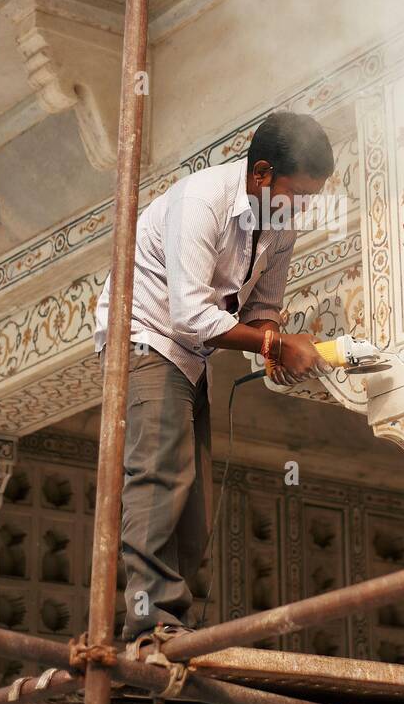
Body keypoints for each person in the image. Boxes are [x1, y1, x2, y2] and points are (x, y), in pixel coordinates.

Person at [94, 110, 334, 640]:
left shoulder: (280, 224)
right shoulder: (200, 202)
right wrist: (275, 344)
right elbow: (192, 316)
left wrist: (274, 346)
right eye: (299, 194)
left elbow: (263, 306)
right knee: (160, 476)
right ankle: (147, 618)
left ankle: (168, 619)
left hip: (189, 355)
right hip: (146, 337)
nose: (304, 207)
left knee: (193, 498)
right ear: (263, 172)